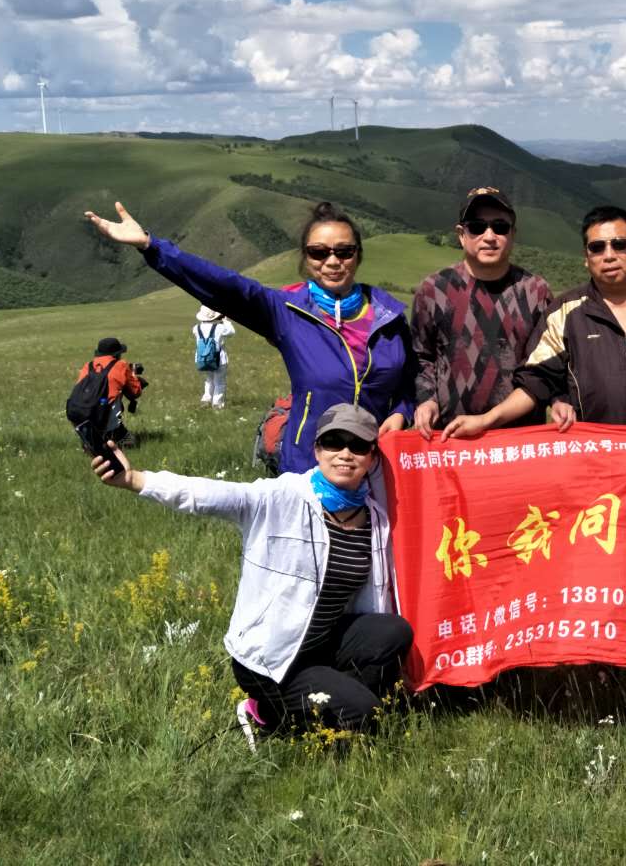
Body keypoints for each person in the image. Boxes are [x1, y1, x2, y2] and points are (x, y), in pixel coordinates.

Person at [91, 403, 412, 746]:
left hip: (319, 645)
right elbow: (208, 494)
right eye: (334, 442)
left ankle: (330, 707)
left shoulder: (374, 518)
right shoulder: (282, 497)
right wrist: (137, 480)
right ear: (317, 449)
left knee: (392, 631)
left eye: (358, 445)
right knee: (364, 710)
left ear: (371, 457)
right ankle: (270, 715)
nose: (345, 454)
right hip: (271, 658)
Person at [84, 200, 416, 474]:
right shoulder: (287, 311)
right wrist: (150, 245)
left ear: (358, 254)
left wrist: (401, 412)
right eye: (319, 252)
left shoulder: (388, 316)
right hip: (308, 465)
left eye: (344, 251)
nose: (332, 261)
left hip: (376, 462)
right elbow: (224, 286)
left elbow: (411, 381)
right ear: (306, 257)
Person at [443, 205, 626, 440]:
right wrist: (487, 420)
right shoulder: (565, 313)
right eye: (597, 248)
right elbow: (535, 382)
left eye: (619, 244)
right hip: (591, 459)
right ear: (587, 259)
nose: (609, 255)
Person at [410, 187, 558, 437]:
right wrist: (427, 398)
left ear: (512, 234)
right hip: (451, 436)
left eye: (500, 227)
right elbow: (420, 356)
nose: (489, 236)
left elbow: (547, 365)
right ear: (461, 234)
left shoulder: (536, 291)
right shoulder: (434, 290)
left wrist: (559, 399)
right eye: (477, 227)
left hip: (520, 439)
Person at [74, 336, 146, 445]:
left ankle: (94, 439)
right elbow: (135, 392)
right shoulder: (121, 365)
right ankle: (116, 433)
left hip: (79, 414)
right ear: (117, 354)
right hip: (104, 413)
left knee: (97, 442)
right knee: (131, 442)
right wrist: (133, 376)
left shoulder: (88, 366)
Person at [193, 306, 236, 409]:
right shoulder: (220, 328)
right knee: (219, 382)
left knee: (209, 380)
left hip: (203, 359)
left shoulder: (196, 328)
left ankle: (206, 399)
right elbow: (232, 332)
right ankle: (217, 403)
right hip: (219, 359)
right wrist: (225, 321)